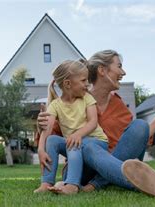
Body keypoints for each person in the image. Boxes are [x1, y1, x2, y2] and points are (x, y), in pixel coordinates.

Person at [38, 50, 155, 198]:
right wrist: (41, 128)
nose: (123, 72)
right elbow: (52, 139)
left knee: (140, 126)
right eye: (119, 66)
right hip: (80, 168)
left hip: (110, 160)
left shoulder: (118, 104)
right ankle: (139, 182)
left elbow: (134, 142)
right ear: (102, 70)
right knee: (89, 146)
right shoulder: (74, 100)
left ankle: (96, 184)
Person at [33, 60, 108, 195]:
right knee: (52, 140)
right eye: (83, 80)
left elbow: (92, 122)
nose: (87, 84)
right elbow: (47, 129)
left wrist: (77, 134)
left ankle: (72, 185)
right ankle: (46, 182)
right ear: (68, 84)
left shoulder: (87, 98)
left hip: (96, 141)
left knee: (72, 142)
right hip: (74, 143)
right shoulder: (55, 105)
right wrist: (40, 149)